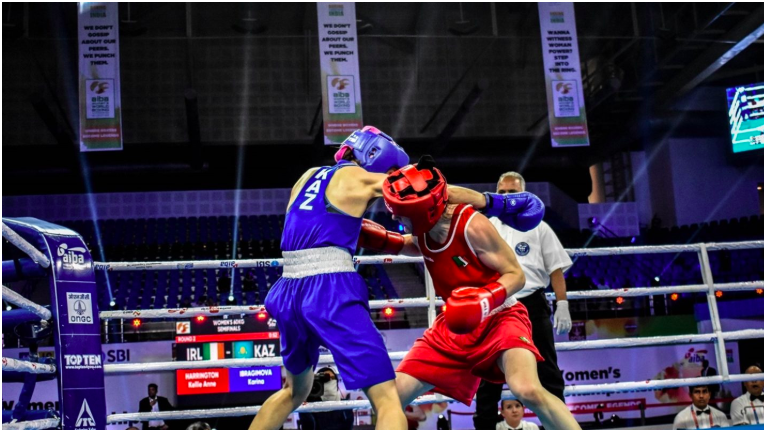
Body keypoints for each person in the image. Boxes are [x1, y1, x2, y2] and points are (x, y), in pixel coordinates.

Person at [248, 128, 494, 430]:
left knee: (292, 392)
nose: (393, 176)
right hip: (328, 287)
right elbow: (433, 190)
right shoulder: (359, 178)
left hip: (288, 289)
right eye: (391, 170)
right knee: (388, 399)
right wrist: (494, 202)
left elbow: (309, 224)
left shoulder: (308, 176)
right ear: (375, 156)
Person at [362, 159, 580, 430]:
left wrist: (485, 299)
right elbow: (415, 244)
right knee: (390, 398)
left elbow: (516, 274)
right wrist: (383, 240)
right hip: (454, 325)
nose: (394, 217)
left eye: (401, 212)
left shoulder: (471, 224)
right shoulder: (423, 226)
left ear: (422, 212)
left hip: (501, 317)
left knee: (528, 390)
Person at [474, 171, 572, 429]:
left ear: (524, 196)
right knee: (489, 374)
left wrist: (563, 304)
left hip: (532, 304)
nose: (506, 197)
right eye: (502, 192)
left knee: (547, 370)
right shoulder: (486, 225)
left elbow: (556, 269)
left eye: (512, 192)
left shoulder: (540, 226)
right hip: (496, 304)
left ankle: (558, 425)